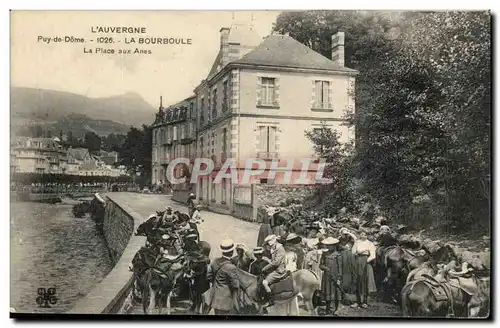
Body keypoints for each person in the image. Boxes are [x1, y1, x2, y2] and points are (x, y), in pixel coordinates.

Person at [206, 239, 240, 315]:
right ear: (232, 252)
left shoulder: (215, 261)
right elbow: (235, 285)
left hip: (215, 297)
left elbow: (209, 276)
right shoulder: (231, 267)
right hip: (226, 300)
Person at [351, 231, 377, 308]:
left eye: (365, 234)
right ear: (360, 235)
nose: (363, 235)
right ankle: (357, 301)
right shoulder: (357, 242)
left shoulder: (370, 244)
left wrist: (366, 261)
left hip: (366, 261)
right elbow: (353, 251)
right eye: (362, 234)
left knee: (365, 280)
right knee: (357, 280)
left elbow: (373, 256)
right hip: (357, 260)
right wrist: (356, 254)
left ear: (367, 236)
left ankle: (364, 301)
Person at [319, 237, 344, 316]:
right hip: (327, 276)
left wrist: (339, 277)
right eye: (328, 245)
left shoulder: (338, 255)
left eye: (331, 245)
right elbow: (320, 265)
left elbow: (340, 267)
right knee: (327, 291)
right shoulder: (324, 254)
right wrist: (325, 268)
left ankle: (337, 309)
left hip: (335, 276)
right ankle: (327, 308)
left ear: (334, 245)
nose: (329, 247)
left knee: (336, 292)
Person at [261, 234, 287, 306]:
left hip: (279, 271)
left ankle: (270, 300)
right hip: (275, 268)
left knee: (264, 282)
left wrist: (265, 268)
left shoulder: (280, 249)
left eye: (269, 245)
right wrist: (267, 260)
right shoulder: (275, 248)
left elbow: (276, 262)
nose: (269, 247)